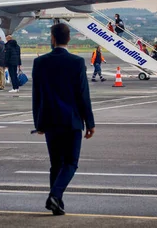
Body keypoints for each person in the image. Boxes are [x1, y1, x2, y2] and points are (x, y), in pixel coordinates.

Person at [32, 23, 95, 216]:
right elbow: (83, 94)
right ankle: (55, 195)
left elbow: (37, 96)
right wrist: (90, 122)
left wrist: (39, 123)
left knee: (56, 165)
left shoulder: (40, 62)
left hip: (50, 120)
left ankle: (57, 204)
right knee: (71, 163)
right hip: (71, 120)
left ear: (52, 38)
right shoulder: (76, 62)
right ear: (69, 39)